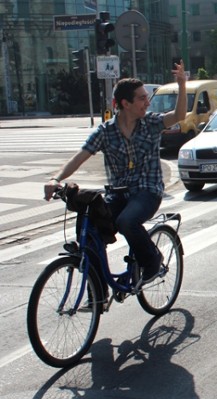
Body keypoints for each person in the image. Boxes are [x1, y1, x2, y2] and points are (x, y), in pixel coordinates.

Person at [44, 61, 188, 284]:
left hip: (147, 191)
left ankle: (152, 259)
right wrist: (56, 178)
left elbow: (179, 115)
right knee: (90, 226)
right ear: (125, 103)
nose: (147, 102)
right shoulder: (105, 131)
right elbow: (80, 157)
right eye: (141, 98)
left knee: (126, 221)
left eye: (146, 97)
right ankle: (97, 287)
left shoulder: (151, 123)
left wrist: (181, 85)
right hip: (118, 193)